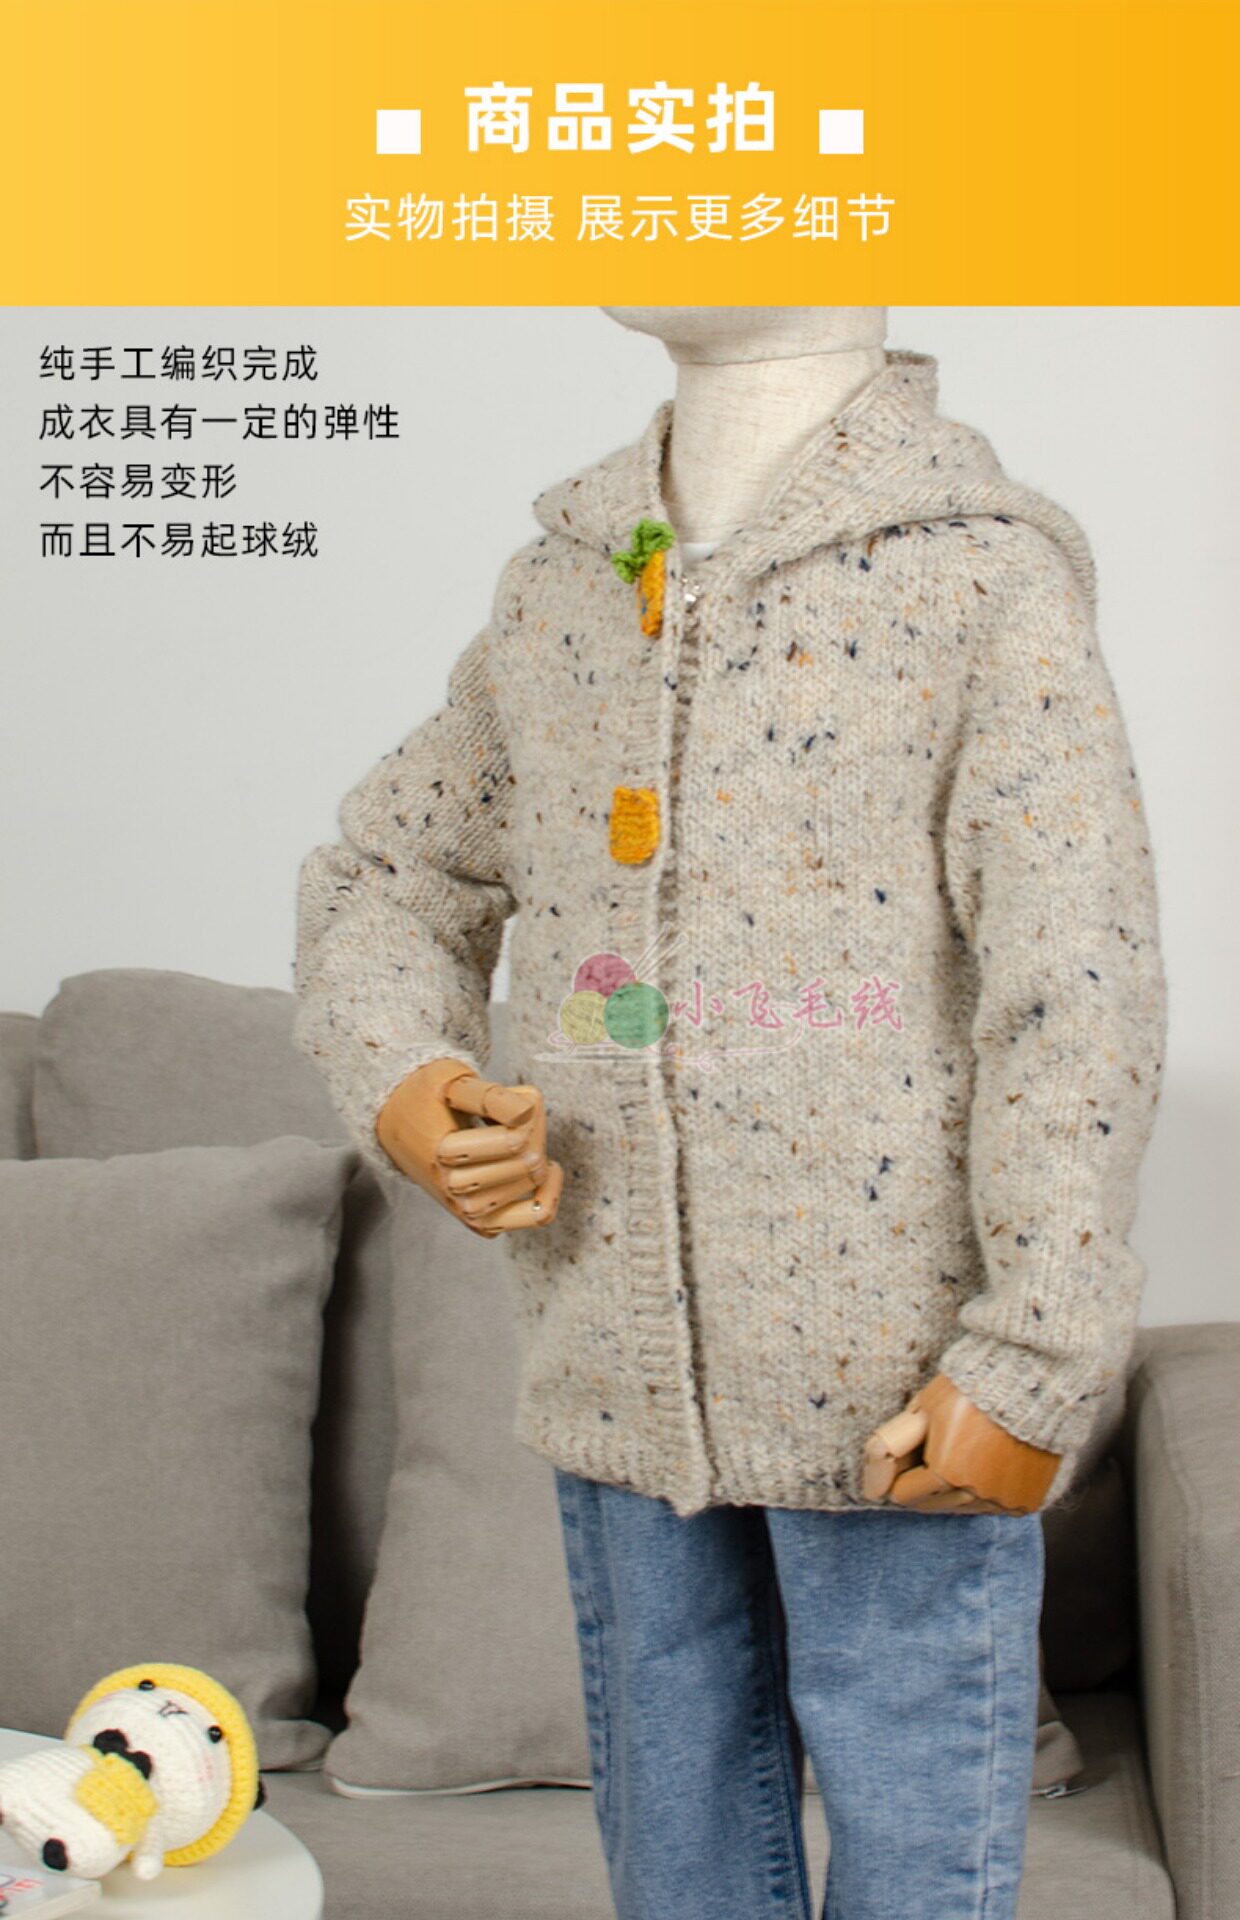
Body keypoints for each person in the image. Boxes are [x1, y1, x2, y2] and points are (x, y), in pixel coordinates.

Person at [292, 310, 1167, 1919]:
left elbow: (1077, 983)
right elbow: (388, 872)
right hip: (619, 1373)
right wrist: (405, 1075)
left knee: (918, 1867)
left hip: (905, 1392)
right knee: (678, 1864)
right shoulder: (567, 587)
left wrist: (1038, 1351)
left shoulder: (980, 578)